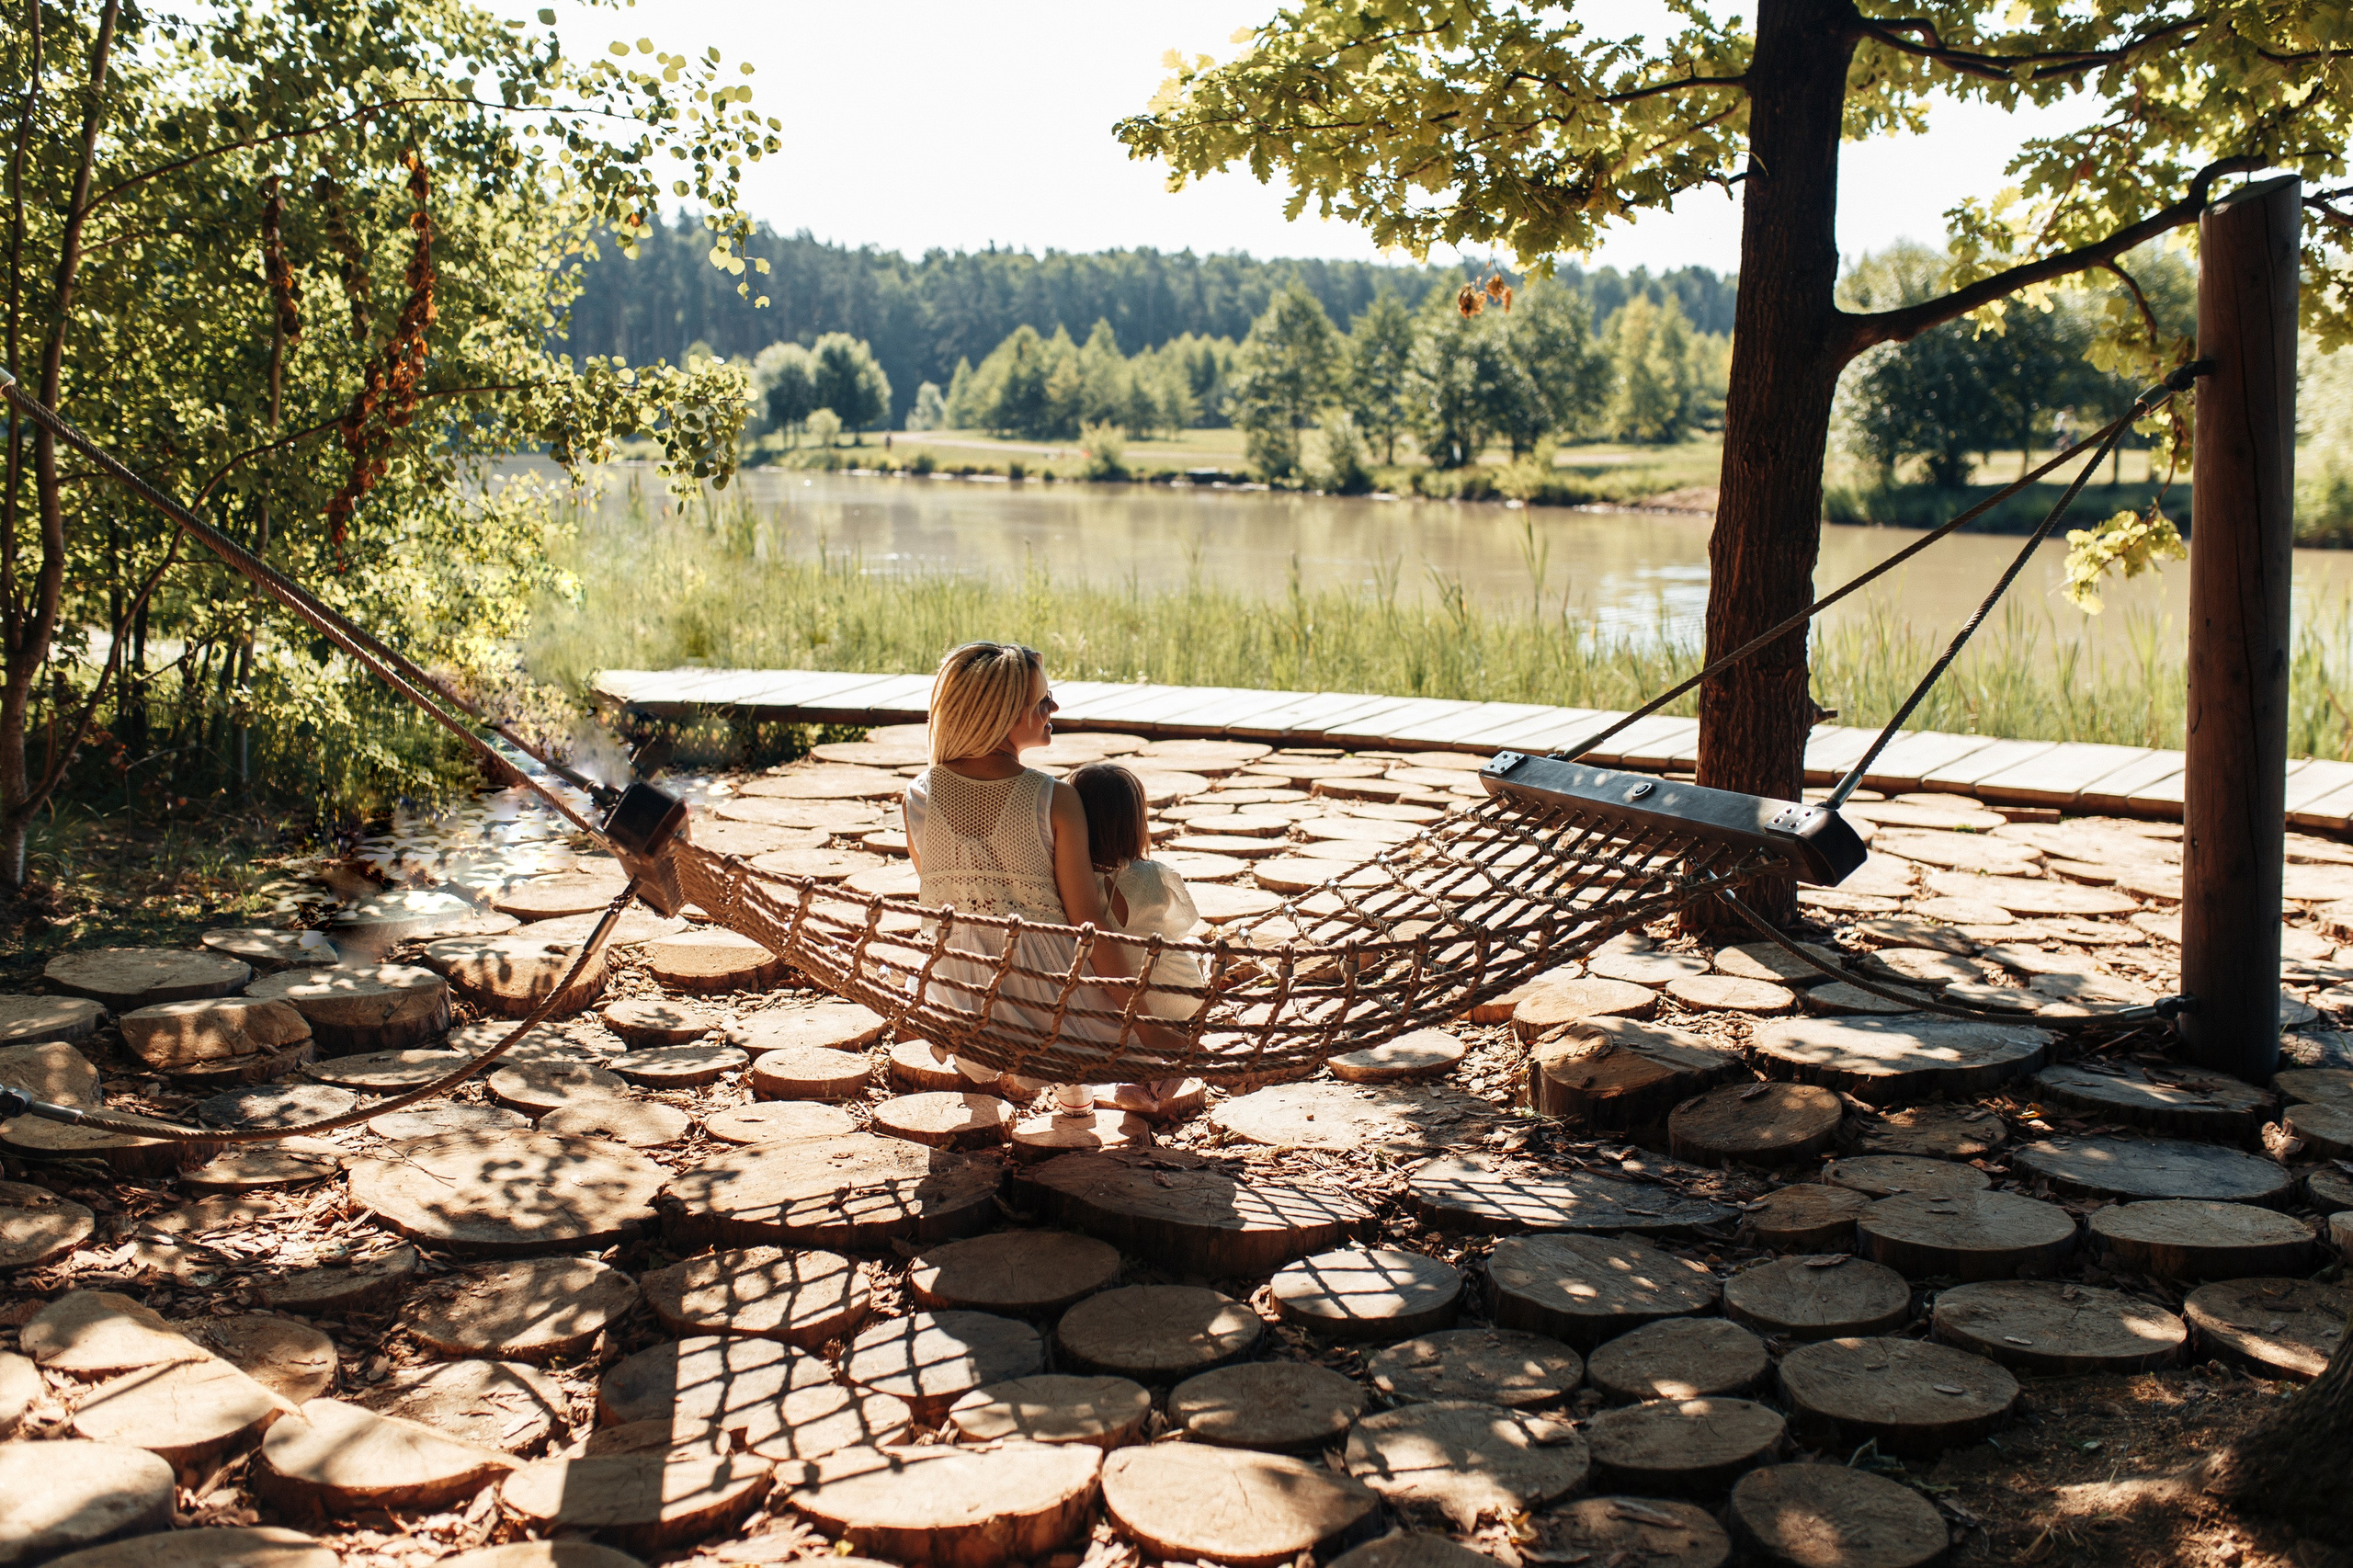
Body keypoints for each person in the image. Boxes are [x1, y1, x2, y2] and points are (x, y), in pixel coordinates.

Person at [900, 642, 1167, 1114]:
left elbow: (943, 908)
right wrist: (1147, 1025)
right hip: (1051, 1003)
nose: (1055, 707)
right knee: (1157, 953)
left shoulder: (919, 795)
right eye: (1043, 700)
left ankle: (1069, 1083)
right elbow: (1089, 931)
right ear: (1003, 715)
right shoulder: (1054, 799)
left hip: (961, 1000)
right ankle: (1073, 1077)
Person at [1067, 763, 1206, 1019]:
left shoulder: (1073, 884)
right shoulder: (1157, 875)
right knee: (1191, 944)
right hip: (1178, 1000)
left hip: (1109, 1006)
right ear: (1136, 822)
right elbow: (1178, 927)